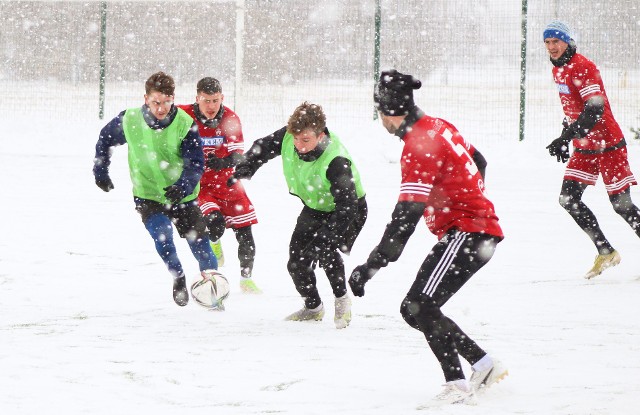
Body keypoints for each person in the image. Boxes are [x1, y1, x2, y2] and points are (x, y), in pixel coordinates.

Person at [348, 70, 508, 405]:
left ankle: (457, 385)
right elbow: (479, 160)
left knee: (420, 306)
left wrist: (371, 266)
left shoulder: (418, 147)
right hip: (473, 231)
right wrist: (467, 197)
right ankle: (482, 363)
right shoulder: (438, 125)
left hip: (469, 232)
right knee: (415, 309)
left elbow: (405, 218)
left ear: (388, 114)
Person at [230, 102, 367, 329]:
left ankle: (342, 299)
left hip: (349, 210)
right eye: (296, 139)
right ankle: (313, 307)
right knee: (296, 263)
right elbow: (263, 147)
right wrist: (249, 165)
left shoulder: (336, 161)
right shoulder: (288, 136)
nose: (299, 146)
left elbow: (347, 207)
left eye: (306, 140)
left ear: (320, 135)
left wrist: (324, 238)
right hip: (316, 206)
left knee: (325, 251)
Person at [93, 71, 218, 307]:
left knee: (200, 245)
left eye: (166, 102)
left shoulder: (184, 124)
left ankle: (214, 289)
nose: (161, 109)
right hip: (148, 194)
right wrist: (101, 171)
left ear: (173, 98)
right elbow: (105, 138)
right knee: (163, 238)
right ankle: (178, 276)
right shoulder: (129, 119)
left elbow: (196, 163)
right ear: (145, 99)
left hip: (183, 197)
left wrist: (182, 186)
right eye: (155, 103)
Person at [543, 21, 640, 279]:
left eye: (556, 41)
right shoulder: (559, 70)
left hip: (608, 144)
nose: (552, 47)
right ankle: (606, 251)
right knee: (568, 199)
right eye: (548, 43)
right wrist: (567, 133)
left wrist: (566, 136)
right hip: (585, 146)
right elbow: (573, 107)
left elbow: (594, 109)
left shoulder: (583, 66)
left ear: (567, 42)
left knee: (622, 205)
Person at [177, 77, 261, 294]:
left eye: (215, 100)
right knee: (215, 223)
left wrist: (224, 162)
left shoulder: (230, 119)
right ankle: (215, 242)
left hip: (229, 185)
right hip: (201, 187)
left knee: (245, 232)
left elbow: (239, 157)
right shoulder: (184, 115)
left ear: (222, 98)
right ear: (197, 99)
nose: (211, 106)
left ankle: (246, 279)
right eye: (206, 101)